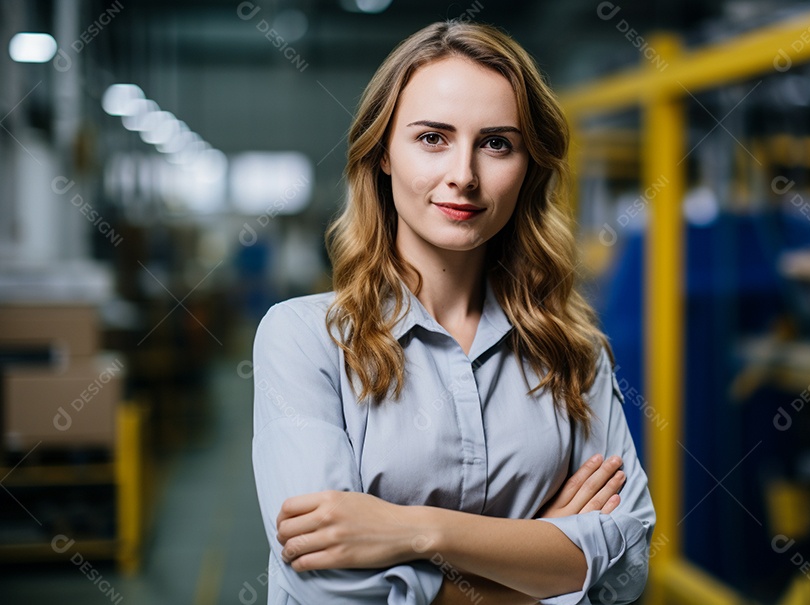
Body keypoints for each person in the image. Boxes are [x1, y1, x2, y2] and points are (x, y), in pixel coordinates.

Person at [251, 20, 655, 605]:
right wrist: (543, 557)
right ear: (383, 153)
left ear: (527, 167)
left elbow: (625, 566)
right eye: (432, 138)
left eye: (497, 143)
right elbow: (326, 585)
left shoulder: (574, 351)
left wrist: (417, 530)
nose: (463, 176)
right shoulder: (303, 340)